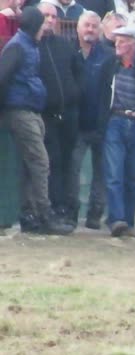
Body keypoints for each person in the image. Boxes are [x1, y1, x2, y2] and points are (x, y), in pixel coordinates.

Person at [0, 7, 75, 234]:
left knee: (32, 164)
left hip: (31, 110)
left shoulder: (27, 45)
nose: (46, 27)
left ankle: (31, 213)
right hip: (21, 110)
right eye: (42, 23)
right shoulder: (19, 47)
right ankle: (44, 215)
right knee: (40, 162)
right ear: (35, 25)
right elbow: (3, 78)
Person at [97, 25, 135, 237]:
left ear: (133, 44)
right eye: (116, 41)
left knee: (133, 177)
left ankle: (128, 221)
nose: (117, 45)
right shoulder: (109, 66)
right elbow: (101, 95)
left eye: (122, 41)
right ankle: (117, 219)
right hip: (115, 120)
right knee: (114, 174)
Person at [37, 1, 82, 225]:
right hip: (46, 115)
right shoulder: (31, 46)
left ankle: (66, 207)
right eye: (45, 15)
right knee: (51, 162)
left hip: (69, 113)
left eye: (53, 17)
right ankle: (54, 207)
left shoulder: (65, 45)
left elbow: (76, 73)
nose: (50, 20)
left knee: (68, 162)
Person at [72, 9, 110, 228]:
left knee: (101, 172)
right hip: (77, 124)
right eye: (86, 25)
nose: (90, 30)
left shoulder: (107, 55)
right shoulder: (69, 52)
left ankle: (95, 215)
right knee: (73, 170)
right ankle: (72, 212)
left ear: (100, 30)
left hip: (101, 124)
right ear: (78, 27)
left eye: (94, 26)